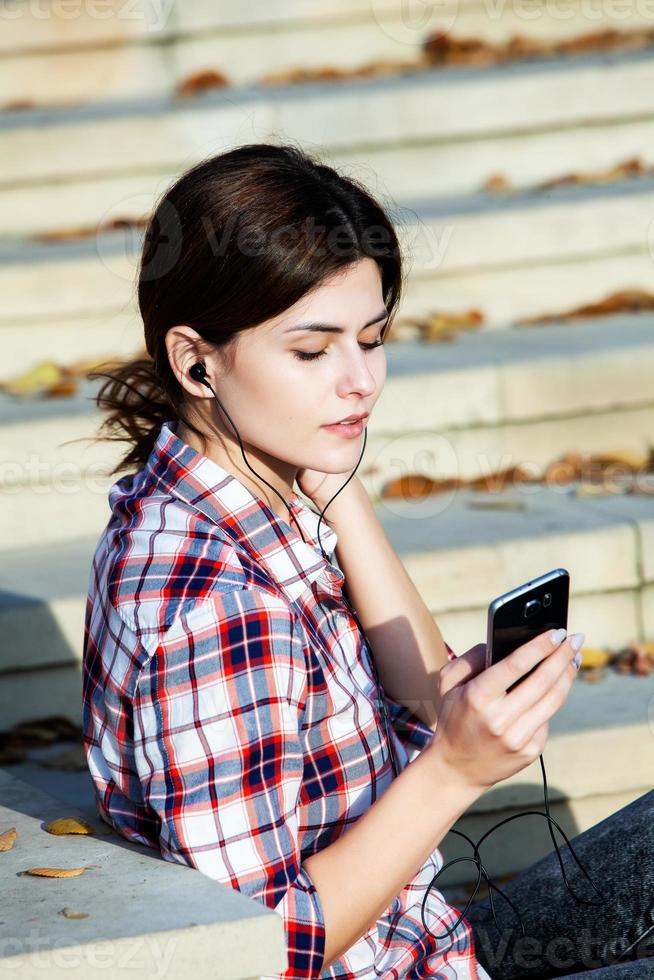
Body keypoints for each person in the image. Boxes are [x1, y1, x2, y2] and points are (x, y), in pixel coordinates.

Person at [81, 142, 653, 979]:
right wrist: (455, 771)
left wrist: (339, 486)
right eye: (313, 352)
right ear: (195, 360)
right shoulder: (214, 604)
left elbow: (422, 695)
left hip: (429, 944)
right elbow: (266, 952)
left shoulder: (242, 499)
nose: (360, 382)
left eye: (373, 339)